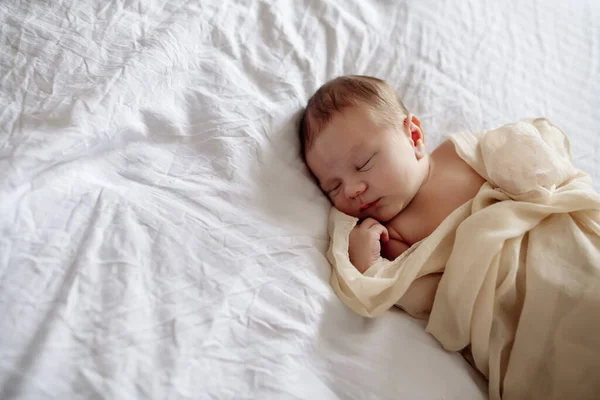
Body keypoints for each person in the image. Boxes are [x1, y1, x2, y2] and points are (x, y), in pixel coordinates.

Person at [299, 75, 487, 318]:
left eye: (363, 163)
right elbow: (430, 297)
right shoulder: (391, 236)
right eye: (333, 187)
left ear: (414, 137)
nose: (351, 190)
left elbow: (524, 155)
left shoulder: (459, 152)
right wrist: (367, 266)